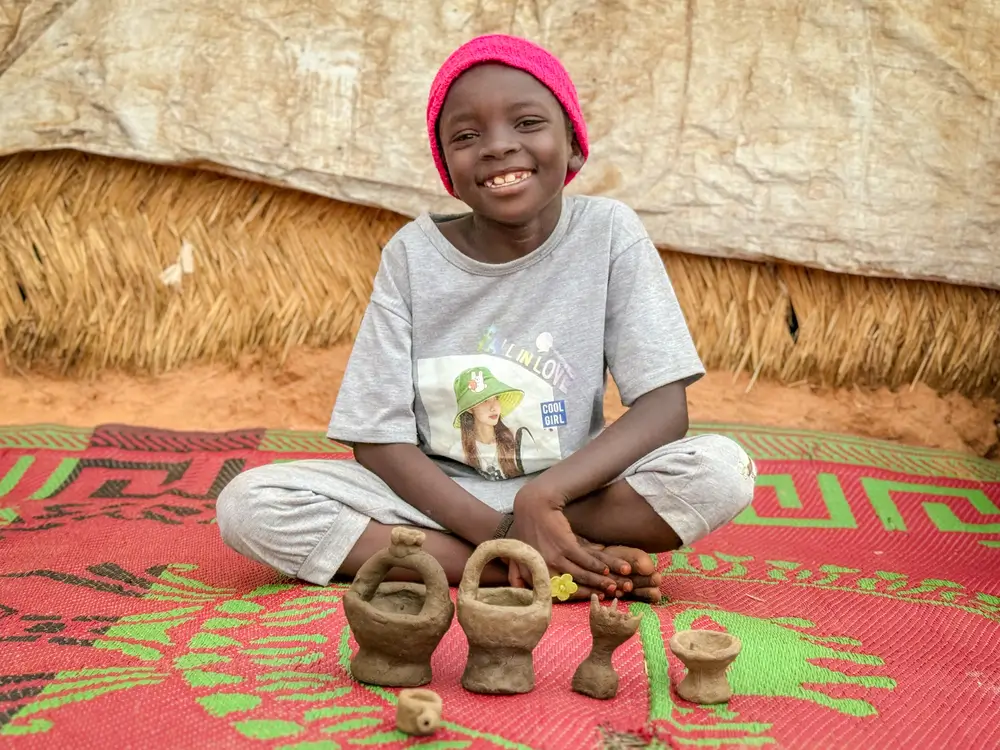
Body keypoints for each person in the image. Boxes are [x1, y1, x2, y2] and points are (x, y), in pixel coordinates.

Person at [216, 34, 757, 602]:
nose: (499, 146)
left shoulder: (609, 233)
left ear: (573, 147)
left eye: (527, 123)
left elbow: (665, 407)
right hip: (436, 499)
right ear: (447, 169)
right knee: (250, 504)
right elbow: (377, 440)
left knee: (723, 469)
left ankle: (537, 544)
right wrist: (501, 534)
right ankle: (523, 568)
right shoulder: (412, 256)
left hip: (574, 491)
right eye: (468, 136)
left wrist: (539, 500)